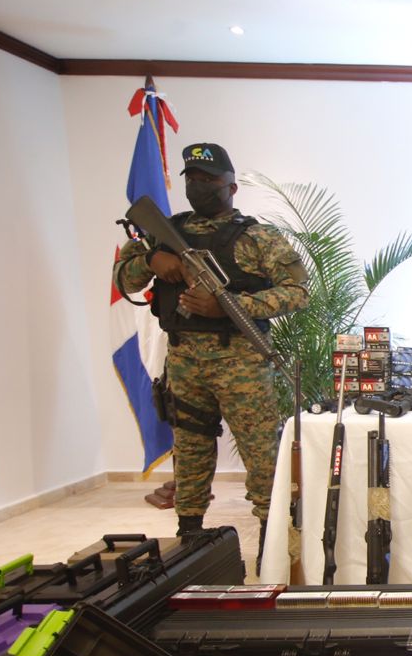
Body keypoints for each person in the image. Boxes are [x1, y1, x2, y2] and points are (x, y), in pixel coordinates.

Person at [114, 143, 308, 564]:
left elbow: (298, 291)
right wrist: (152, 259)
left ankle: (272, 550)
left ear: (231, 187)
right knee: (190, 453)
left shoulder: (258, 238)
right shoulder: (163, 232)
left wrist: (233, 306)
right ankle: (190, 543)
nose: (200, 187)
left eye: (210, 180)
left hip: (242, 364)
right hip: (184, 361)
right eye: (193, 179)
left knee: (263, 458)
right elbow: (124, 281)